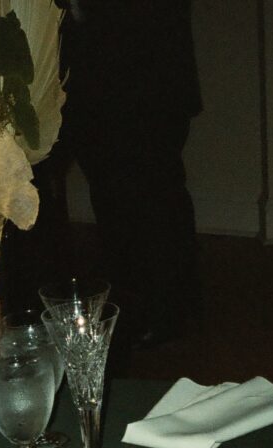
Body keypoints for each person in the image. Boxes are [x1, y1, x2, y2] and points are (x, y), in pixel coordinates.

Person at [57, 0, 203, 352]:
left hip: (146, 86)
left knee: (154, 195)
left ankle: (164, 306)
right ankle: (139, 302)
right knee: (115, 197)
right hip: (99, 89)